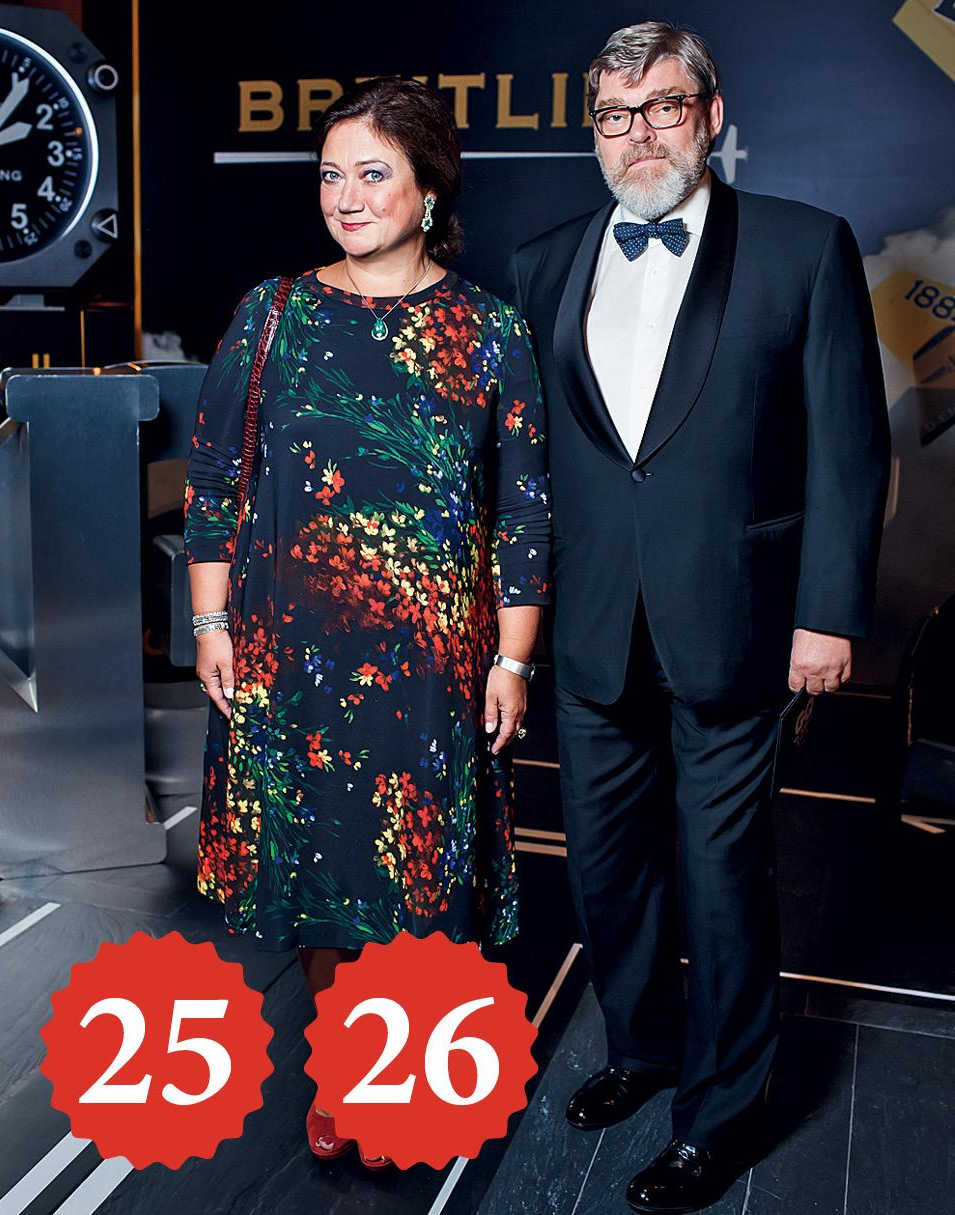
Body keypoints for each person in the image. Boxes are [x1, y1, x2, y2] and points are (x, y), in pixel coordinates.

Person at [510, 21, 889, 1214]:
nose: (639, 134)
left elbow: (850, 447)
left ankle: (720, 1114)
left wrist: (828, 613)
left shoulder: (802, 246)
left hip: (738, 621)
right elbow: (534, 468)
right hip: (588, 628)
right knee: (609, 870)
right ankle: (644, 1045)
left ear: (711, 117)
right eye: (614, 116)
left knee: (723, 876)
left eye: (663, 107)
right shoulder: (544, 262)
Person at [183, 76, 551, 1169]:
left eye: (373, 173)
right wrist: (210, 625)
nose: (345, 197)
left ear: (429, 188)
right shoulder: (273, 314)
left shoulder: (490, 331)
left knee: (416, 876)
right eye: (330, 175)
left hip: (431, 662)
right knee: (315, 868)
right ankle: (340, 1072)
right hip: (288, 652)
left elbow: (523, 509)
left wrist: (514, 659)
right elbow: (214, 480)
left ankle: (388, 1074)